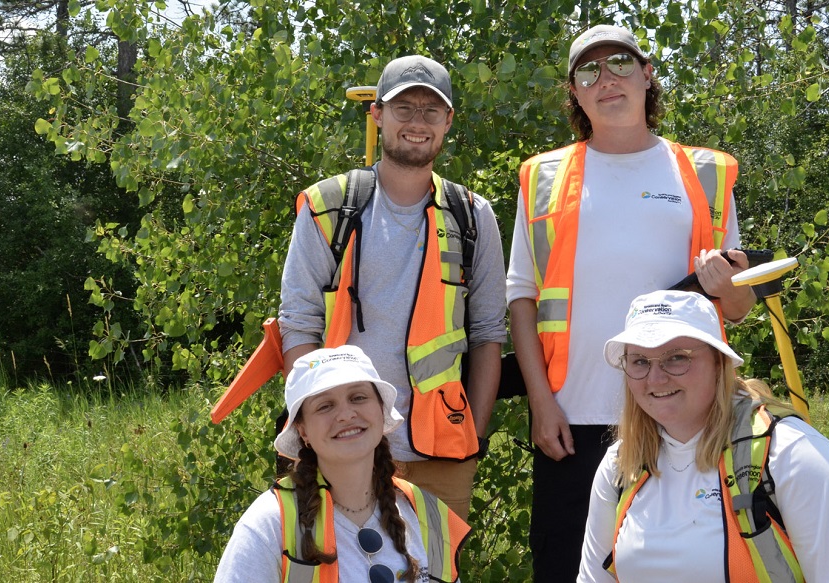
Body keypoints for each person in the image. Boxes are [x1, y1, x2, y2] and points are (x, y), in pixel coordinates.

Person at [506, 24, 759, 579]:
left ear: (647, 75)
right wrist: (542, 405)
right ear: (574, 93)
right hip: (572, 420)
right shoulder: (543, 177)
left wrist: (725, 285)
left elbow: (737, 308)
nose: (606, 79)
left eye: (620, 63)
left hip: (685, 416)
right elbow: (521, 298)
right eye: (588, 71)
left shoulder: (705, 174)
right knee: (566, 568)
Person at [279, 54, 507, 519]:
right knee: (331, 559)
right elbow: (298, 324)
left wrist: (475, 433)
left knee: (435, 561)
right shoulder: (328, 206)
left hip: (442, 453)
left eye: (431, 110)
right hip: (341, 447)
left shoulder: (473, 216)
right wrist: (315, 433)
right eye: (404, 108)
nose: (417, 122)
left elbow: (488, 334)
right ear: (378, 114)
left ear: (448, 121)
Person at [577, 289, 829, 582]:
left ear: (719, 362)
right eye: (640, 362)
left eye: (677, 357)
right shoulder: (621, 465)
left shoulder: (790, 454)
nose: (656, 378)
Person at [215, 345, 470, 583]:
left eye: (358, 397)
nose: (346, 415)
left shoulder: (426, 512)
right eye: (325, 406)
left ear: (381, 410)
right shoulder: (269, 524)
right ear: (303, 431)